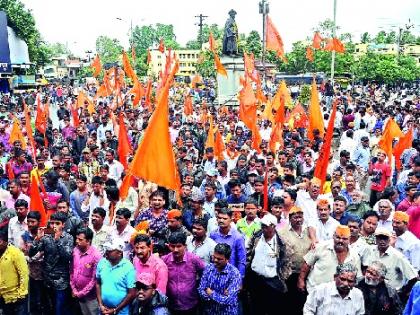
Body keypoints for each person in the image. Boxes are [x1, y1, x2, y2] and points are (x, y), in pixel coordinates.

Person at [28, 211, 74, 315]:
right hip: (47, 279)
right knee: (48, 308)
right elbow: (32, 254)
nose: (54, 226)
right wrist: (37, 240)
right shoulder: (46, 237)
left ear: (63, 224)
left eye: (57, 223)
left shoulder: (69, 238)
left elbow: (67, 257)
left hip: (61, 280)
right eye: (52, 223)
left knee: (60, 309)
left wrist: (57, 241)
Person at [247, 213, 292, 315]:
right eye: (262, 225)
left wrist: (282, 278)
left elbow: (287, 262)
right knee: (255, 309)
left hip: (273, 282)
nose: (263, 228)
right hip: (256, 279)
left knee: (272, 309)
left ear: (273, 226)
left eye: (265, 226)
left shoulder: (282, 242)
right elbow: (248, 252)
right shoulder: (257, 236)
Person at [298, 225, 362, 293]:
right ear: (333, 236)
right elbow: (307, 264)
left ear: (349, 239)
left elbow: (357, 278)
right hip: (315, 291)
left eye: (344, 239)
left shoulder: (354, 255)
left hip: (339, 295)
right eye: (338, 237)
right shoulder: (321, 247)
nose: (340, 241)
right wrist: (301, 280)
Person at [162, 231, 206, 315]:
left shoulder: (194, 259)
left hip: (191, 304)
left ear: (185, 246)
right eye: (172, 246)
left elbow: (205, 273)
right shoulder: (164, 260)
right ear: (169, 246)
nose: (175, 250)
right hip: (171, 305)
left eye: (179, 246)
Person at [362, 227, 417, 292]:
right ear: (376, 239)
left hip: (390, 295)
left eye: (385, 238)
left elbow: (414, 277)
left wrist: (404, 293)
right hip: (369, 291)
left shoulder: (397, 256)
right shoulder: (369, 250)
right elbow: (364, 267)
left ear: (389, 239)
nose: (382, 241)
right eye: (380, 238)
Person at [279, 206, 312, 315]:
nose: (298, 220)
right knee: (289, 302)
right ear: (290, 218)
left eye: (300, 217)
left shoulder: (308, 232)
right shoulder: (282, 232)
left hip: (306, 273)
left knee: (303, 302)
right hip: (290, 274)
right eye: (295, 217)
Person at [96, 238, 137, 315]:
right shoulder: (102, 263)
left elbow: (131, 293)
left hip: (121, 311)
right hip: (103, 309)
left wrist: (115, 310)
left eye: (110, 250)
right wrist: (100, 304)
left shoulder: (128, 267)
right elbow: (98, 283)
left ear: (119, 253)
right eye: (106, 249)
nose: (106, 252)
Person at [198, 243, 241, 315]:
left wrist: (211, 293)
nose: (215, 260)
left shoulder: (234, 274)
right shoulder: (208, 268)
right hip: (209, 311)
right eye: (214, 257)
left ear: (227, 259)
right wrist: (220, 296)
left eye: (219, 259)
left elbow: (228, 300)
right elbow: (201, 290)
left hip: (226, 312)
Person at [70, 227, 102, 315]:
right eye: (76, 238)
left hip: (91, 297)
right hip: (77, 293)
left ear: (88, 241)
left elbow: (94, 279)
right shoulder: (75, 251)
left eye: (80, 239)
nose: (77, 241)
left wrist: (81, 293)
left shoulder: (96, 256)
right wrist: (73, 288)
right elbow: (72, 270)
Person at [19, 211, 45, 315]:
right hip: (30, 274)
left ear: (39, 222)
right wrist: (36, 257)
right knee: (33, 300)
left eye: (33, 222)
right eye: (28, 221)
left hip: (45, 273)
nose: (30, 224)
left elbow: (47, 252)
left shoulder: (46, 235)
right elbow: (23, 255)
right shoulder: (24, 236)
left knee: (44, 300)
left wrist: (32, 256)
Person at [210, 207, 246, 278]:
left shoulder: (238, 237)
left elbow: (241, 260)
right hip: (215, 273)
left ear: (231, 219)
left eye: (225, 218)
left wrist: (240, 279)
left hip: (231, 275)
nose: (221, 220)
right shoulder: (213, 234)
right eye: (219, 218)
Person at [0, 228, 29, 315]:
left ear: (5, 242)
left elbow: (24, 274)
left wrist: (21, 294)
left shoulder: (15, 253)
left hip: (16, 297)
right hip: (3, 296)